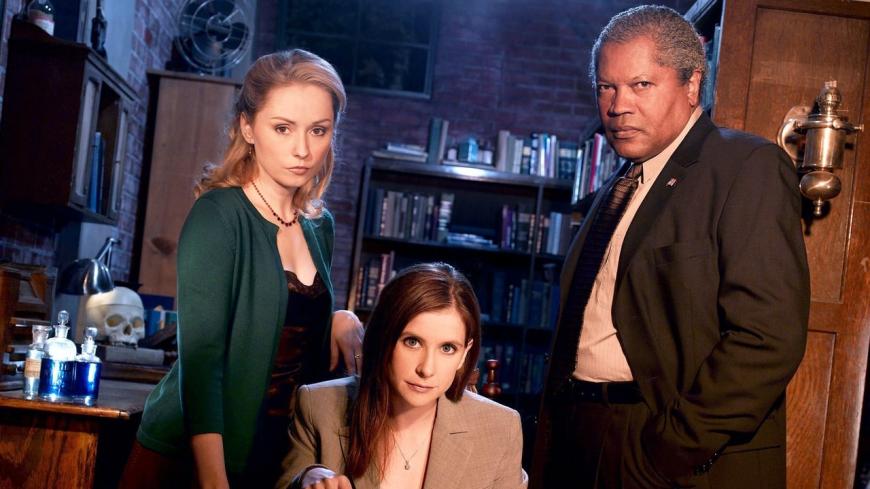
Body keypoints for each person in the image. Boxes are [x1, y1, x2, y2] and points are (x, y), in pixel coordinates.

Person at [531, 6, 810, 489]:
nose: (618, 106)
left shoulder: (746, 166)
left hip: (662, 451)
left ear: (692, 83)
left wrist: (672, 448)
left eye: (641, 85)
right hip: (580, 439)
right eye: (606, 87)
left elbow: (767, 337)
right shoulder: (620, 185)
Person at [120, 49, 364, 489]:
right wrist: (214, 480)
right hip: (197, 453)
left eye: (318, 130)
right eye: (283, 128)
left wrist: (339, 319)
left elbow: (284, 320)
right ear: (248, 127)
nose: (303, 149)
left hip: (278, 452)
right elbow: (201, 365)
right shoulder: (219, 215)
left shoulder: (318, 225)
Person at [276, 262, 528, 489]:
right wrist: (305, 479)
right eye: (412, 342)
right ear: (383, 337)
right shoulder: (318, 406)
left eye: (447, 348)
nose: (426, 369)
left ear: (465, 354)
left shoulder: (500, 429)